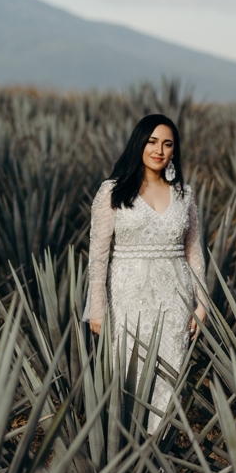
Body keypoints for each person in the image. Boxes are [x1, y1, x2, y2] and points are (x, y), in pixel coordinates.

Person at [82, 113, 207, 434]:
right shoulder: (112, 191)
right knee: (127, 376)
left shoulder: (185, 195)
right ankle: (126, 456)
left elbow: (195, 253)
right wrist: (96, 308)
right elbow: (98, 257)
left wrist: (202, 304)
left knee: (169, 379)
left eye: (167, 144)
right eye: (152, 141)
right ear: (139, 143)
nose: (159, 150)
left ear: (174, 150)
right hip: (127, 299)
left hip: (175, 302)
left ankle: (159, 460)